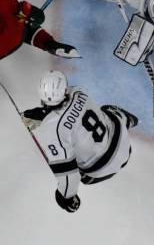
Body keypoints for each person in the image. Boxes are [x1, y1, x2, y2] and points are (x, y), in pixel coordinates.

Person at [22, 70, 137, 213]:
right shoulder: (79, 92)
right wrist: (44, 114)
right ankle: (127, 120)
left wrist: (66, 198)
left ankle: (123, 122)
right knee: (106, 111)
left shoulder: (53, 132)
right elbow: (67, 111)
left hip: (103, 169)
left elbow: (69, 176)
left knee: (78, 169)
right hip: (123, 142)